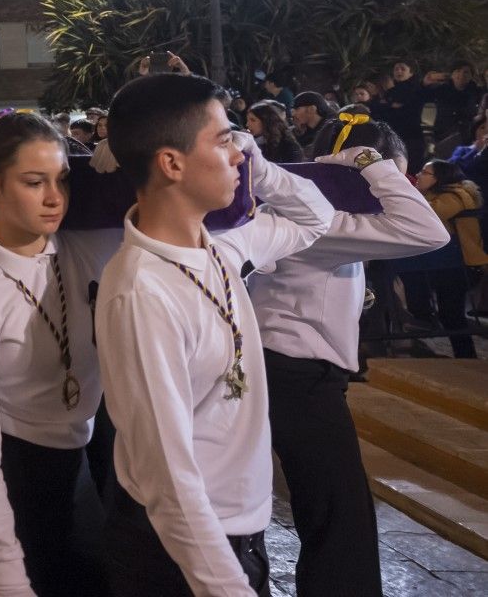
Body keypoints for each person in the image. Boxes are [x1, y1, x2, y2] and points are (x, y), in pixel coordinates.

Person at [93, 73, 332, 597]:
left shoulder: (220, 250)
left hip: (238, 531)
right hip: (182, 553)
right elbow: (167, 476)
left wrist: (263, 169)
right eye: (225, 140)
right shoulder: (141, 292)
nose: (239, 154)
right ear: (171, 163)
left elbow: (317, 217)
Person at [251, 116, 448, 596]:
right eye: (396, 180)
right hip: (299, 373)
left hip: (278, 367)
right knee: (340, 517)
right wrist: (371, 165)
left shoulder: (299, 210)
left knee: (311, 506)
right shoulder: (320, 221)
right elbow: (429, 232)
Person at [0, 112, 120, 597]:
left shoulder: (86, 247)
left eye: (62, 179)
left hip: (77, 463)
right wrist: (2, 562)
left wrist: (130, 148)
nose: (54, 197)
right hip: (4, 474)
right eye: (34, 182)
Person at [404, 159, 483, 360]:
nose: (419, 175)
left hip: (461, 265)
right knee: (450, 315)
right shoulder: (434, 195)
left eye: (425, 172)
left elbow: (428, 214)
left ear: (440, 178)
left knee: (452, 315)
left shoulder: (456, 195)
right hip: (444, 263)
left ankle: (467, 359)